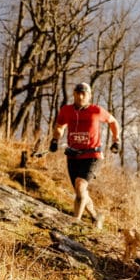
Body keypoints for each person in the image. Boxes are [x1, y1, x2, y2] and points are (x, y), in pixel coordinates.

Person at [49, 82, 120, 229]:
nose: (80, 96)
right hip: (73, 156)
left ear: (89, 96)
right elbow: (60, 126)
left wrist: (116, 140)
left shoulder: (96, 110)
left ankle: (75, 223)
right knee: (80, 191)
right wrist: (55, 139)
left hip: (92, 155)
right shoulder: (66, 110)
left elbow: (113, 121)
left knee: (80, 186)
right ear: (74, 94)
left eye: (84, 94)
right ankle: (95, 217)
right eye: (78, 93)